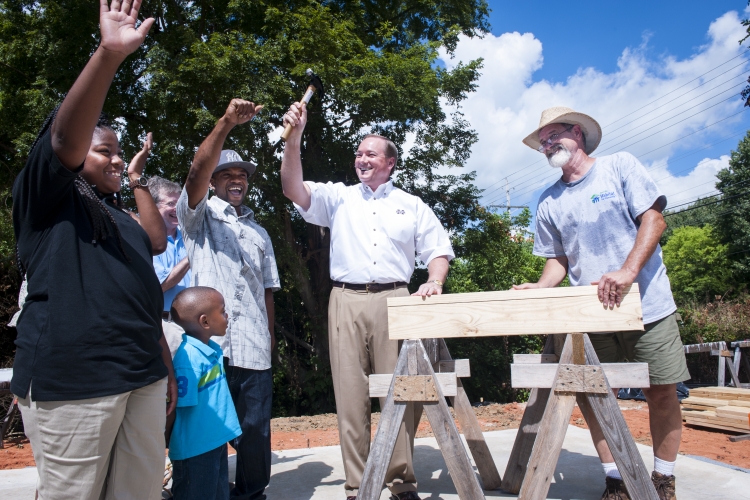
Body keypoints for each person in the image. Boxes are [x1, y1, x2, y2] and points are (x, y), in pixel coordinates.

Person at [11, 2, 177, 499]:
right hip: (76, 381)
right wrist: (108, 54)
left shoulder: (119, 220)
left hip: (141, 375)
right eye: (104, 149)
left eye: (119, 150)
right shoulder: (45, 199)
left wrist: (163, 369)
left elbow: (152, 256)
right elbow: (64, 137)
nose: (116, 158)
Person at [280, 102, 454, 500]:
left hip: (396, 298)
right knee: (350, 394)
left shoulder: (411, 204)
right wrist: (294, 137)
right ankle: (359, 486)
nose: (361, 159)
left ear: (390, 163)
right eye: (358, 154)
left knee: (401, 392)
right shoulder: (338, 198)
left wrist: (435, 280)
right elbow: (293, 188)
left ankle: (401, 483)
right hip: (344, 300)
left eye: (370, 154)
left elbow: (437, 250)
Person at [514, 107, 689, 500]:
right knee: (595, 395)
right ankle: (616, 478)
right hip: (591, 311)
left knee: (661, 391)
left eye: (553, 134)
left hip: (648, 304)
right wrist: (541, 287)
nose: (547, 144)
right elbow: (558, 259)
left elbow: (654, 221)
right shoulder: (548, 200)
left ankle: (663, 479)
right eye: (542, 141)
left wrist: (627, 272)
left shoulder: (619, 166)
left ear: (578, 132)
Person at [177, 99, 280, 500]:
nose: (236, 180)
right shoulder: (198, 217)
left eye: (243, 175)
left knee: (255, 430)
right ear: (215, 181)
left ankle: (251, 493)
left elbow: (267, 291)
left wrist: (269, 339)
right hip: (208, 348)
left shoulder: (260, 233)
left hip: (254, 346)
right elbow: (194, 175)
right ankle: (205, 492)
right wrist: (225, 124)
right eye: (227, 174)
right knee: (206, 428)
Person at [167, 286, 242, 500]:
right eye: (222, 311)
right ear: (205, 321)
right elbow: (176, 408)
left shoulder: (211, 350)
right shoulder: (188, 360)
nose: (226, 316)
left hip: (214, 441)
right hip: (195, 450)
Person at [150, 174, 192, 356]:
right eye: (170, 204)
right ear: (152, 207)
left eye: (179, 203)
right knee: (168, 382)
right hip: (164, 326)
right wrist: (193, 255)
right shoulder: (145, 239)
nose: (177, 209)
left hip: (195, 327)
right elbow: (161, 285)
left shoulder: (188, 237)